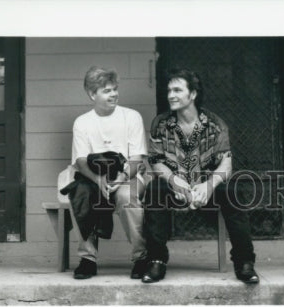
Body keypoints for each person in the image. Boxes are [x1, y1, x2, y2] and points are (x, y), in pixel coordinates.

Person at [142, 68, 259, 285]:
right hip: (175, 185)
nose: (171, 95)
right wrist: (175, 182)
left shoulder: (215, 124)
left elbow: (227, 162)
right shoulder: (161, 123)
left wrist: (209, 185)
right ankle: (156, 260)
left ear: (193, 94)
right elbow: (156, 161)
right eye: (169, 90)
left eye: (177, 90)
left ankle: (244, 262)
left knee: (232, 191)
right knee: (154, 190)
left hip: (206, 188)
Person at [63, 66, 148, 281]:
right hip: (94, 177)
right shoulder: (82, 122)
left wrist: (120, 178)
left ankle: (141, 257)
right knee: (82, 194)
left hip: (128, 176)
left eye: (115, 89)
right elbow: (81, 161)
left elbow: (138, 159)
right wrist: (98, 180)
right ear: (93, 94)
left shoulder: (132, 117)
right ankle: (87, 260)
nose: (114, 94)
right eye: (107, 91)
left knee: (125, 197)